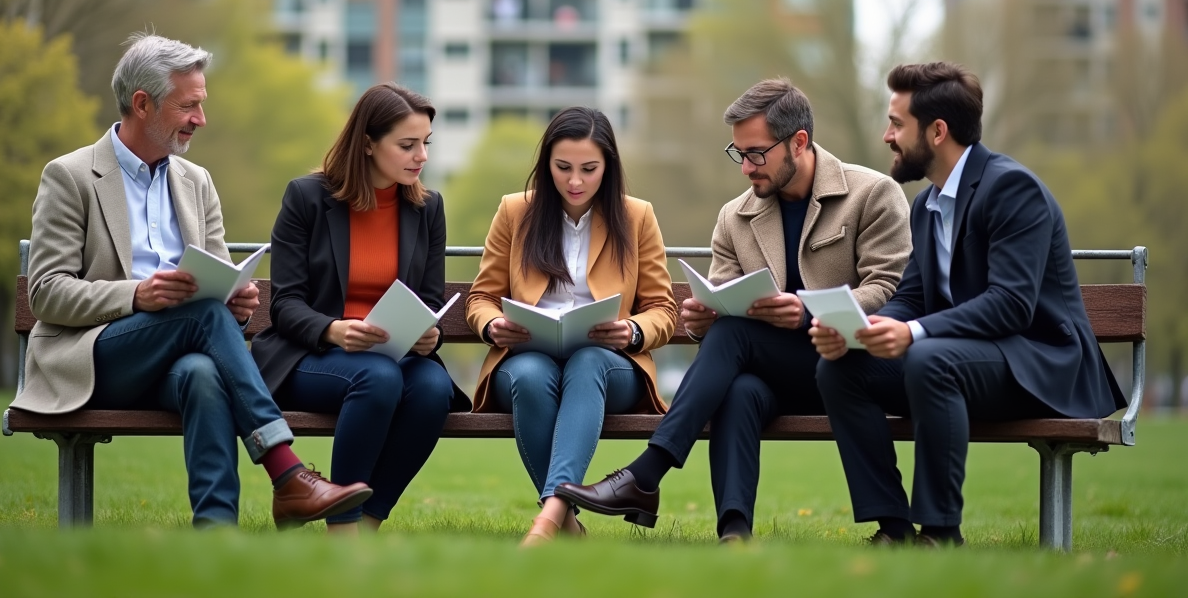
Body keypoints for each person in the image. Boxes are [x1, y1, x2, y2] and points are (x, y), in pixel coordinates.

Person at [12, 33, 370, 528]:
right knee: (200, 315)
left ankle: (215, 532)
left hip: (180, 355)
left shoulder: (195, 181)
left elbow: (217, 281)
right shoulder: (70, 176)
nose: (201, 119)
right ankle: (286, 472)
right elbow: (46, 292)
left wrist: (238, 300)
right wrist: (138, 295)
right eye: (189, 106)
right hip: (93, 360)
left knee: (203, 373)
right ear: (142, 104)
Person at [555, 78, 912, 542]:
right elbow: (723, 300)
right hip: (779, 372)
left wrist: (804, 312)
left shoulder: (872, 194)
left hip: (860, 362)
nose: (745, 168)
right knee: (738, 383)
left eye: (756, 153)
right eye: (738, 153)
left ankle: (646, 475)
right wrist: (704, 319)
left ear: (799, 142)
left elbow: (891, 289)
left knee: (736, 339)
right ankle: (734, 532)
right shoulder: (734, 216)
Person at [809, 62, 1126, 547]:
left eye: (896, 124)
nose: (886, 136)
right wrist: (864, 328)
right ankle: (894, 528)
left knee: (929, 358)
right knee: (841, 369)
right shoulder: (926, 204)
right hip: (969, 360)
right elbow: (913, 297)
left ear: (937, 132)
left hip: (1041, 364)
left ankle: (940, 533)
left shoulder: (1012, 190)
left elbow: (1011, 305)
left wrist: (912, 334)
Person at [252, 83, 471, 534]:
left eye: (425, 144)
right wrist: (335, 330)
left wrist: (431, 334)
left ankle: (369, 521)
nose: (421, 157)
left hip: (394, 355)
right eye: (407, 145)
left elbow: (430, 299)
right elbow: (285, 305)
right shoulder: (307, 198)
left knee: (433, 388)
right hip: (313, 357)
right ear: (368, 143)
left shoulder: (428, 208)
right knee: (378, 377)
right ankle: (343, 525)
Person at [464, 107, 678, 546]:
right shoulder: (515, 211)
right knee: (530, 373)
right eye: (563, 168)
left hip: (607, 364)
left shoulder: (636, 216)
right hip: (527, 357)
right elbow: (480, 297)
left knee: (587, 362)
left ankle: (550, 517)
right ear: (546, 166)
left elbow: (662, 308)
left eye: (589, 169)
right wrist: (493, 326)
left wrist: (632, 331)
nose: (575, 181)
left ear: (609, 167)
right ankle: (563, 520)